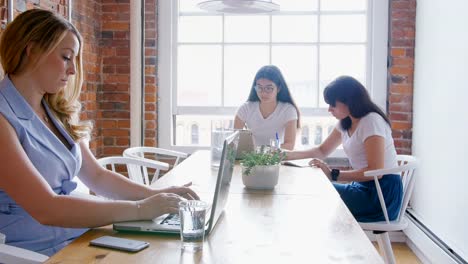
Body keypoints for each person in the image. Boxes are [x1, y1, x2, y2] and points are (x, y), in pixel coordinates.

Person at [0, 9, 198, 256]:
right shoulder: (3, 118)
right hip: (35, 254)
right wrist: (139, 209)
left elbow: (97, 177)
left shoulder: (54, 110)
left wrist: (157, 196)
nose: (73, 70)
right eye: (66, 57)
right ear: (31, 51)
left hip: (79, 237)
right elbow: (46, 208)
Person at [285, 76, 402, 222]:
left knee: (316, 194)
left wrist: (334, 174)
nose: (329, 109)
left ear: (349, 101)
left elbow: (376, 171)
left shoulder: (371, 121)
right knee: (314, 193)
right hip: (363, 188)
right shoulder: (346, 123)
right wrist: (286, 156)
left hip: (381, 195)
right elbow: (321, 151)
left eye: (332, 104)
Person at [234, 65, 300, 150]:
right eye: (259, 88)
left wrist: (261, 150)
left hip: (278, 159)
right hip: (252, 159)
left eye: (269, 88)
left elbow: (289, 146)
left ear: (279, 88)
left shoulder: (288, 110)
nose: (263, 93)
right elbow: (234, 141)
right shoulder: (245, 109)